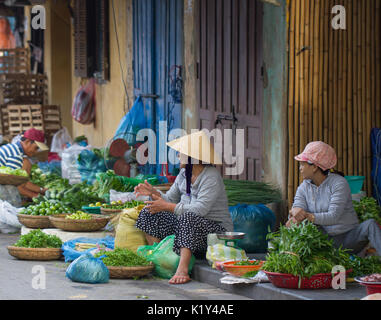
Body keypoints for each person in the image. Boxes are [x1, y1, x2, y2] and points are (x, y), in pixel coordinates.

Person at [134, 130, 234, 285]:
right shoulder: (183, 174)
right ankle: (161, 258)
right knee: (149, 212)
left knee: (188, 217)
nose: (179, 156)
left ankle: (182, 270)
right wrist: (153, 193)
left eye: (182, 152)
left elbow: (200, 210)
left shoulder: (211, 176)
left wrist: (167, 205)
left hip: (214, 233)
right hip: (186, 230)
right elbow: (169, 199)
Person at [288, 141, 381, 256]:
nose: (300, 168)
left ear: (315, 167)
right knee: (305, 225)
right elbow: (298, 204)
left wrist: (307, 215)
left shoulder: (339, 183)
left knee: (370, 225)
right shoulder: (304, 187)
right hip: (324, 242)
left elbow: (334, 216)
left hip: (348, 239)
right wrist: (295, 212)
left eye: (302, 164)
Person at [0, 128, 49, 203]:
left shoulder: (14, 149)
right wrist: (38, 197)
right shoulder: (16, 155)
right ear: (27, 142)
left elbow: (22, 183)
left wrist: (41, 190)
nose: (36, 152)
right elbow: (17, 187)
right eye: (36, 148)